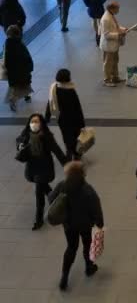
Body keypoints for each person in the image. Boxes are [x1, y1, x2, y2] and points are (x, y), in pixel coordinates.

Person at [48, 161, 104, 291]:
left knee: (71, 247)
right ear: (82, 175)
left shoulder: (62, 186)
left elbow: (51, 198)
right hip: (86, 225)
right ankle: (89, 267)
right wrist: (99, 224)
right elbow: (96, 209)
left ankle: (64, 277)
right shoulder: (88, 190)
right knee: (87, 245)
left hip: (69, 224)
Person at [16, 114, 67, 230]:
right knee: (45, 188)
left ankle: (38, 219)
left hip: (44, 168)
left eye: (36, 121)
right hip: (32, 168)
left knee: (39, 193)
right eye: (32, 121)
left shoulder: (47, 136)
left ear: (41, 123)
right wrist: (20, 146)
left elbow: (57, 151)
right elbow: (18, 141)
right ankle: (57, 200)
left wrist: (67, 164)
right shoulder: (26, 135)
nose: (34, 124)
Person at [45, 69, 85, 161]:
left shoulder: (54, 88)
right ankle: (76, 153)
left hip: (62, 119)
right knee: (76, 135)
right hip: (74, 118)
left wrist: (47, 117)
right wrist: (82, 123)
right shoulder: (70, 90)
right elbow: (77, 107)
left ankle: (69, 151)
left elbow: (50, 103)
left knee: (66, 136)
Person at [4, 25, 33, 112]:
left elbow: (6, 59)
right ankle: (23, 97)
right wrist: (29, 66)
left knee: (15, 86)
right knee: (24, 83)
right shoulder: (18, 44)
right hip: (22, 69)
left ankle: (17, 99)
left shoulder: (8, 44)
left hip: (13, 71)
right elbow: (26, 56)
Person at [99, 1, 126, 87]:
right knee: (108, 63)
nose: (118, 10)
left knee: (115, 61)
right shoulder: (106, 19)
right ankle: (107, 80)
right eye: (117, 8)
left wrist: (123, 29)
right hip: (108, 46)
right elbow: (106, 34)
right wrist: (119, 35)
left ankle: (115, 77)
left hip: (113, 45)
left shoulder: (111, 15)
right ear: (112, 8)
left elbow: (115, 27)